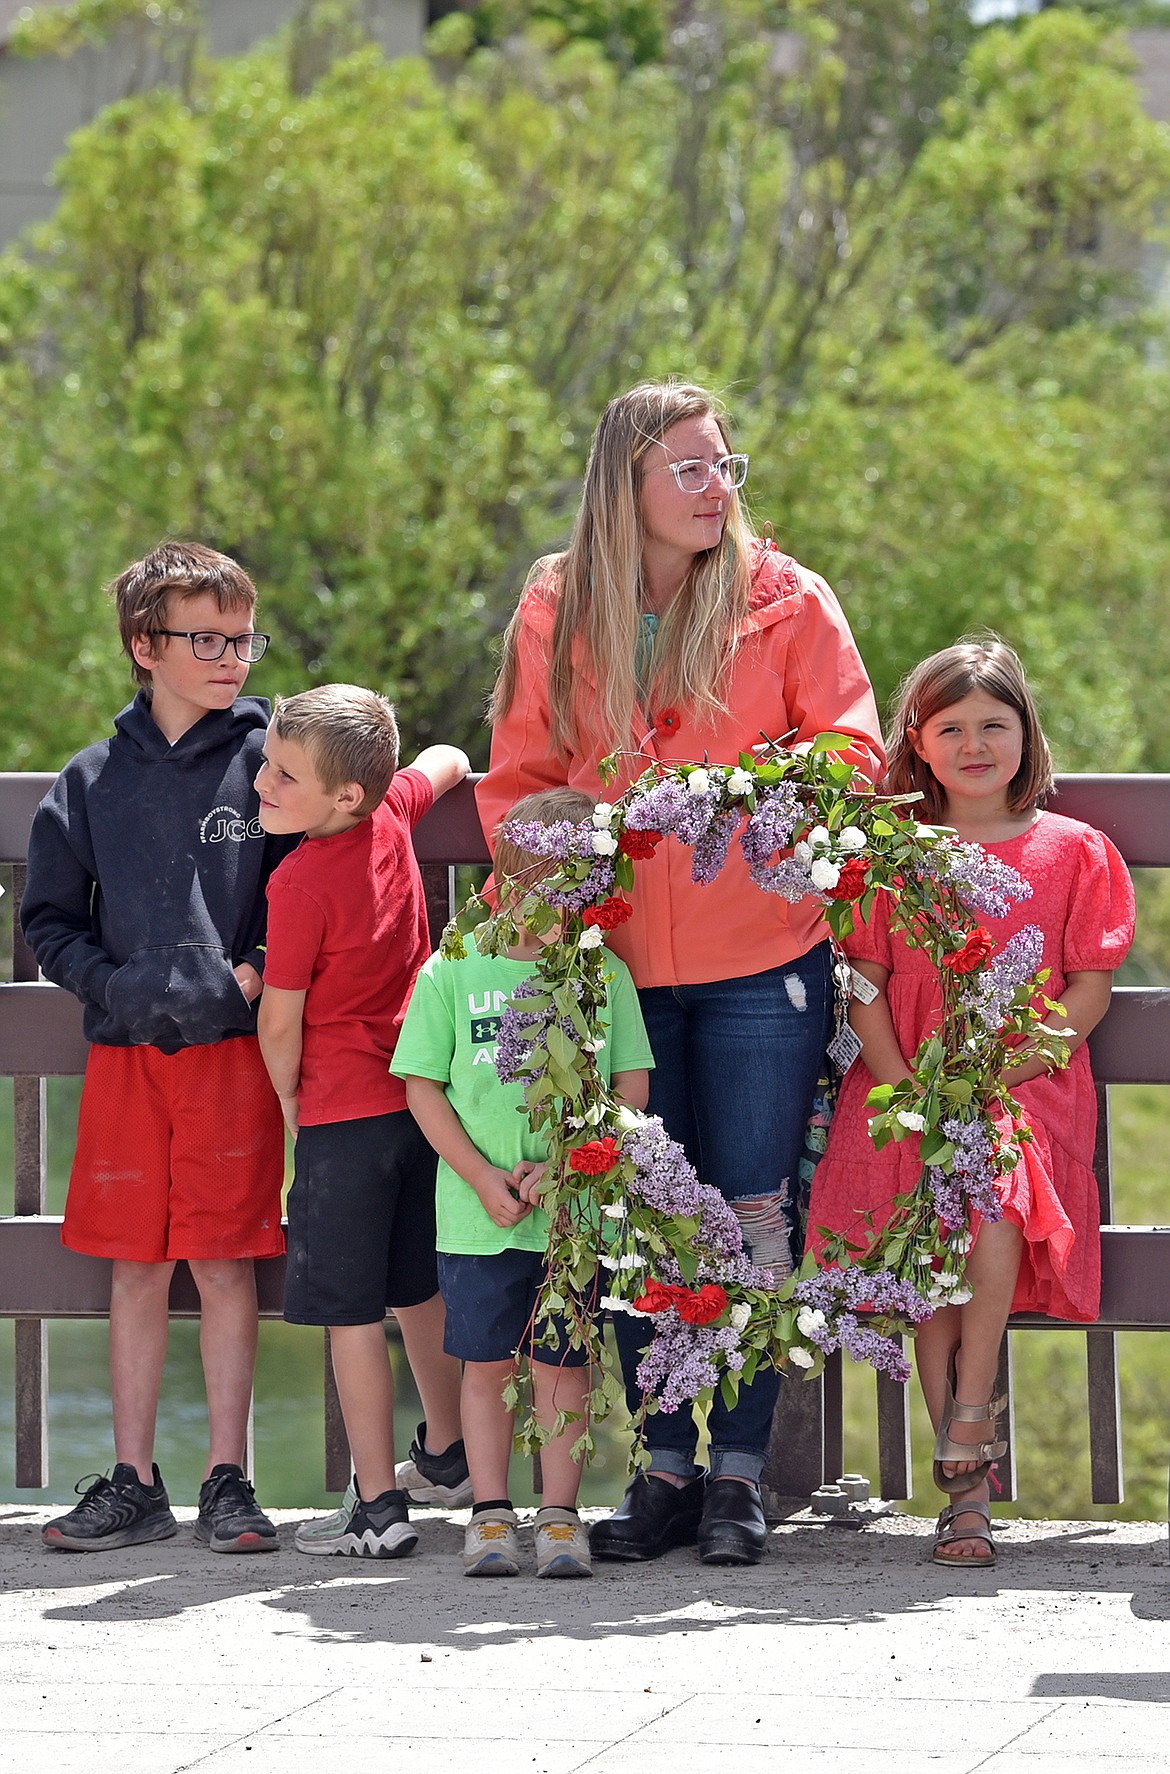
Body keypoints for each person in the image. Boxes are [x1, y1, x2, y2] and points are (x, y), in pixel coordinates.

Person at [478, 380, 884, 1566]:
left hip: (765, 956)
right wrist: (549, 862)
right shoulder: (558, 602)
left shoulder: (785, 598)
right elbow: (517, 777)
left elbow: (854, 750)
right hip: (614, 964)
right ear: (629, 484)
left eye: (726, 466)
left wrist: (750, 793)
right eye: (692, 468)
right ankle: (661, 1469)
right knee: (639, 1214)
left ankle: (740, 1478)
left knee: (753, 1210)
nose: (718, 488)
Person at [808, 638, 1135, 1567]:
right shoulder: (894, 854)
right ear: (917, 742)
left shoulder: (1075, 852)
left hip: (1021, 1087)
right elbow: (864, 983)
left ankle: (969, 1402)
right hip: (903, 1084)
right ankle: (965, 1499)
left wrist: (999, 1074)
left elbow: (1088, 992)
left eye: (996, 724)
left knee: (988, 1189)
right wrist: (908, 1086)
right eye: (951, 727)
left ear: (1028, 736)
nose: (975, 744)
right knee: (924, 1228)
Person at [22, 541, 292, 1554]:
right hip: (128, 1055)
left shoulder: (274, 759)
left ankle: (231, 1477)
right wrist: (116, 986)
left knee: (224, 1263)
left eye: (242, 637)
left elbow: (306, 881)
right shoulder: (90, 781)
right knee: (133, 1266)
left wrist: (256, 969)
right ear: (146, 645)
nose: (232, 657)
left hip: (234, 1056)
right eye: (206, 639)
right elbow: (49, 921)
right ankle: (134, 1480)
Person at [393, 788, 654, 1578]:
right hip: (478, 1218)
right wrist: (477, 1175)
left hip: (573, 1222)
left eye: (570, 881)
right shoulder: (453, 970)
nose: (550, 898)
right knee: (484, 1367)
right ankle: (490, 1513)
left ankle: (562, 1517)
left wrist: (574, 1160)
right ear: (500, 877)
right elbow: (420, 1085)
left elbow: (631, 1089)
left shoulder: (604, 975)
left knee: (563, 1367)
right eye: (533, 878)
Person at [254, 684, 470, 1559]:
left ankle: (377, 1507)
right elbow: (444, 765)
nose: (262, 782)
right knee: (417, 1285)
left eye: (282, 774)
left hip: (343, 1116)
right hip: (422, 1106)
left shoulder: (297, 882)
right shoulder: (392, 819)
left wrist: (289, 1101)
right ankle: (449, 1451)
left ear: (345, 794)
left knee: (350, 1311)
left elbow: (280, 1017)